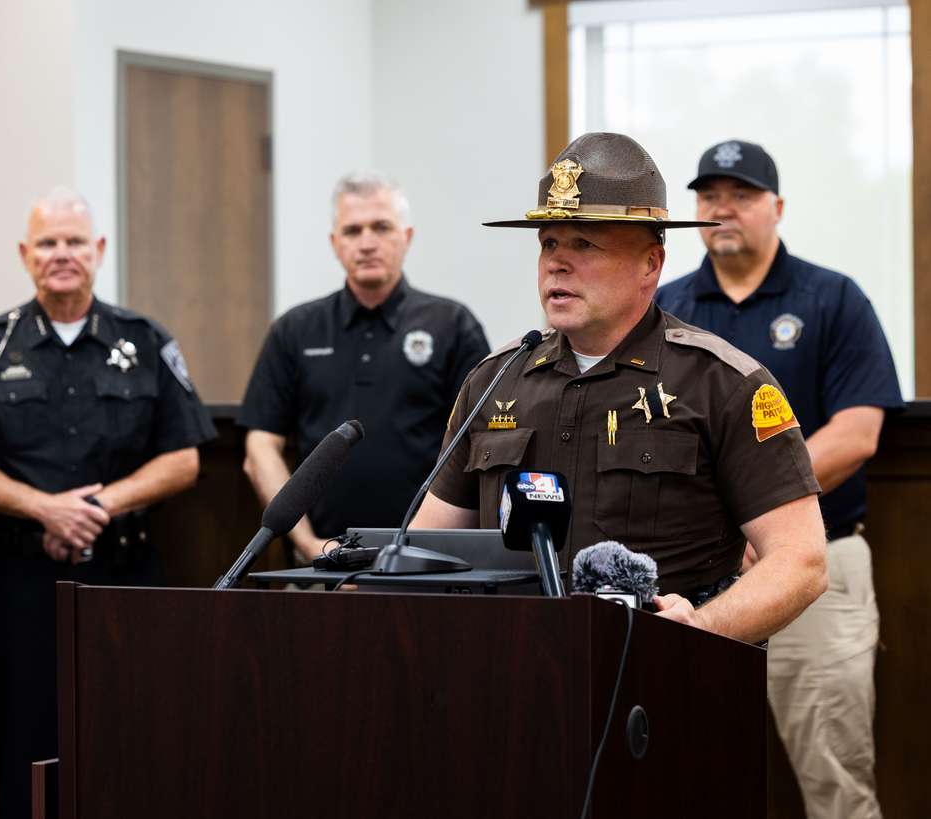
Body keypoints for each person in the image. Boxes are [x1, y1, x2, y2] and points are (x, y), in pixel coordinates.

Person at [410, 132, 827, 645]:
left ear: (650, 264)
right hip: (515, 669)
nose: (556, 263)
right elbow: (425, 550)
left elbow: (801, 561)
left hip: (664, 673)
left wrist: (701, 627)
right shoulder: (497, 380)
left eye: (584, 243)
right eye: (549, 244)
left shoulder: (722, 382)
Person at [0, 188, 216, 819]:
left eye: (73, 242)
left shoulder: (145, 340)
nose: (61, 254)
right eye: (47, 243)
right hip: (20, 580)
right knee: (24, 737)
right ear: (24, 254)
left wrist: (95, 507)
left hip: (123, 574)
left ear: (99, 250)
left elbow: (185, 458)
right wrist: (44, 508)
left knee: (131, 732)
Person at [655, 139, 901, 819]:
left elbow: (858, 433)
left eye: (740, 195)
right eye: (708, 197)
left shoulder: (832, 298)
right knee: (683, 775)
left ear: (778, 207)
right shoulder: (664, 309)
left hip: (813, 568)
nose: (721, 209)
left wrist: (763, 516)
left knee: (834, 779)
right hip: (693, 574)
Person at [239, 172, 489, 561]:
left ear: (406, 237)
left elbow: (478, 447)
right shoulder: (295, 330)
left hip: (427, 564)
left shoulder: (453, 326)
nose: (367, 242)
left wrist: (418, 550)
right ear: (335, 244)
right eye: (353, 231)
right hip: (317, 565)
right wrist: (308, 545)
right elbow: (260, 448)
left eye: (382, 227)